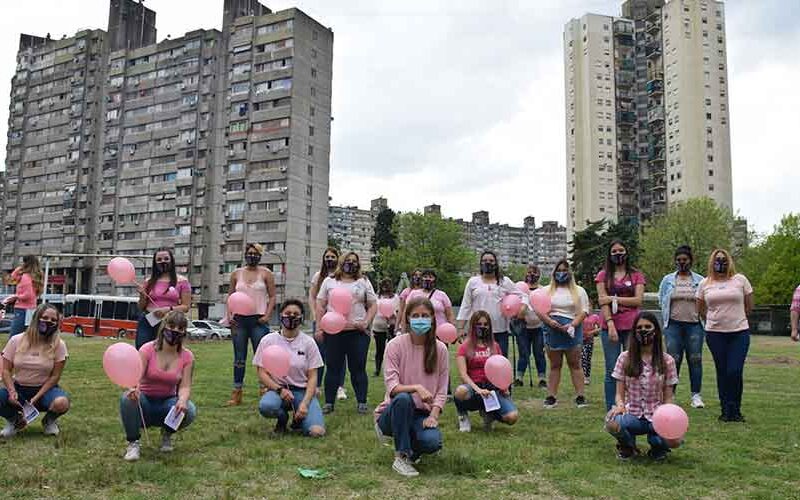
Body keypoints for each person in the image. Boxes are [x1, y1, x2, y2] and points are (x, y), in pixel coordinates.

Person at [374, 296, 448, 477]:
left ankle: (411, 446)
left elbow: (442, 389)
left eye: (425, 315)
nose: (420, 319)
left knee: (432, 443)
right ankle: (401, 456)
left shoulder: (440, 349)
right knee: (403, 399)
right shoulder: (395, 345)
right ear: (407, 318)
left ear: (432, 318)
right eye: (416, 315)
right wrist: (416, 387)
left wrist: (433, 415)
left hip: (421, 412)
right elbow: (392, 387)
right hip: (395, 409)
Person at [120, 311, 197, 461]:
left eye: (180, 328)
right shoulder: (147, 349)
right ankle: (133, 443)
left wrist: (182, 400)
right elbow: (137, 376)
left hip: (168, 402)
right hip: (145, 401)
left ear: (184, 332)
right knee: (126, 399)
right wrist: (134, 388)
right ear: (163, 327)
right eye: (171, 326)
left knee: (190, 410)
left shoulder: (188, 357)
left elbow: (185, 386)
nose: (175, 331)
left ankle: (167, 433)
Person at [605, 312, 681, 461]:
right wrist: (620, 405)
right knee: (611, 422)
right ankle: (628, 446)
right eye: (639, 327)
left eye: (648, 327)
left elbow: (669, 396)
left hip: (657, 415)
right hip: (632, 413)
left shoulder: (668, 361)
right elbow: (619, 393)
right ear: (634, 332)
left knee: (674, 441)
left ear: (656, 331)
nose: (643, 330)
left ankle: (658, 447)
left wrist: (670, 418)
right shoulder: (624, 358)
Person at [696, 248, 753, 423]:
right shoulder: (705, 283)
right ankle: (725, 410)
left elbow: (749, 305)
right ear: (712, 263)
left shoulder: (740, 280)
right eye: (717, 260)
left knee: (734, 370)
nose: (721, 262)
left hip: (739, 332)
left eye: (724, 259)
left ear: (729, 262)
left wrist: (736, 318)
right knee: (722, 371)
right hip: (715, 333)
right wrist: (715, 319)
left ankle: (735, 408)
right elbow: (700, 309)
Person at [316, 252, 377, 414]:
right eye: (348, 261)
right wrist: (319, 327)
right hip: (333, 332)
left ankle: (362, 402)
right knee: (333, 368)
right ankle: (329, 403)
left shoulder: (363, 281)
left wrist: (366, 322)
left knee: (358, 368)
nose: (351, 264)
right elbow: (320, 304)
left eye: (354, 261)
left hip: (357, 333)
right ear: (341, 262)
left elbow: (372, 304)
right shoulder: (329, 281)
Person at [255, 299, 325, 437]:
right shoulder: (268, 340)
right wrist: (279, 390)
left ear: (301, 318)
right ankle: (282, 419)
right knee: (267, 407)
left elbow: (313, 377)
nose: (291, 316)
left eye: (296, 314)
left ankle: (299, 419)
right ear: (281, 315)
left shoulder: (308, 342)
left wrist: (305, 403)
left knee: (317, 432)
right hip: (277, 390)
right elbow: (261, 372)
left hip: (302, 391)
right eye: (288, 313)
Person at [0, 304, 70, 438]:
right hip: (18, 388)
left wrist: (37, 397)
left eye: (53, 320)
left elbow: (55, 376)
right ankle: (15, 421)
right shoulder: (16, 340)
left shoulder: (59, 344)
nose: (48, 322)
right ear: (36, 318)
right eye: (44, 318)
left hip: (45, 390)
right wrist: (11, 391)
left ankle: (49, 421)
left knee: (62, 403)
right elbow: (6, 371)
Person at [224, 243, 277, 406]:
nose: (252, 256)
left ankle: (265, 390)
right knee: (239, 358)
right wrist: (229, 316)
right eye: (249, 253)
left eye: (255, 254)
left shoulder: (266, 273)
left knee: (262, 357)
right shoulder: (236, 273)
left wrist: (267, 315)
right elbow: (230, 296)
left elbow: (273, 296)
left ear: (260, 256)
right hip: (239, 320)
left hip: (258, 320)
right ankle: (237, 393)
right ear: (245, 255)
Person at [596, 239, 646, 411]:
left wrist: (613, 298)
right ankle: (612, 407)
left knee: (632, 366)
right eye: (614, 251)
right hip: (610, 326)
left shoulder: (636, 275)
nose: (618, 254)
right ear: (610, 255)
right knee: (612, 368)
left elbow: (638, 300)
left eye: (621, 250)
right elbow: (603, 302)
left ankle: (633, 405)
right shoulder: (603, 275)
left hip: (633, 326)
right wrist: (610, 324)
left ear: (627, 252)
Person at [536, 260, 590, 409]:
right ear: (554, 273)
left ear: (570, 273)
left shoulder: (579, 291)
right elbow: (539, 310)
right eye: (559, 270)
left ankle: (580, 396)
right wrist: (550, 322)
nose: (562, 273)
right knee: (555, 365)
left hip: (572, 330)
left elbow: (584, 311)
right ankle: (551, 396)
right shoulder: (546, 290)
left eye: (565, 270)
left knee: (575, 364)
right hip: (552, 330)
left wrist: (572, 325)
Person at [454, 311, 519, 433]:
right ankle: (462, 416)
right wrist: (478, 390)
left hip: (492, 389)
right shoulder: (464, 347)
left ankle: (490, 413)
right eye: (478, 324)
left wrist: (504, 387)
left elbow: (502, 368)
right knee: (460, 392)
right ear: (472, 326)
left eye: (485, 324)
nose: (482, 327)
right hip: (473, 388)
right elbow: (463, 375)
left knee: (512, 417)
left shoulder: (495, 346)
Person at [658, 245, 706, 409]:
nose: (681, 262)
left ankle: (696, 395)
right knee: (673, 360)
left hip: (694, 325)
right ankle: (670, 395)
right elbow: (661, 299)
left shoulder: (700, 280)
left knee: (695, 359)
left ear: (691, 261)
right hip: (673, 324)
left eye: (684, 260)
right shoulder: (668, 280)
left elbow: (705, 300)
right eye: (678, 260)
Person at [457, 251, 526, 357]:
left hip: (500, 331)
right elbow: (466, 305)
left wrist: (522, 309)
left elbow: (523, 296)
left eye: (491, 261)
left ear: (496, 264)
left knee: (500, 363)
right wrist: (461, 328)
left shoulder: (505, 282)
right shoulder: (473, 282)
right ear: (480, 264)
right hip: (478, 330)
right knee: (477, 364)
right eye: (484, 261)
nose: (488, 263)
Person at [309, 247, 346, 399]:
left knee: (339, 356)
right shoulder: (319, 276)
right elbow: (312, 297)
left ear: (338, 258)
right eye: (327, 257)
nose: (329, 259)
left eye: (332, 256)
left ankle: (340, 386)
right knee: (319, 354)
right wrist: (314, 315)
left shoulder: (343, 276)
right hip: (320, 320)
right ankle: (317, 386)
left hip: (338, 321)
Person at [135, 248, 191, 350]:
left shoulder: (182, 281)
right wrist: (142, 295)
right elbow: (141, 307)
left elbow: (186, 306)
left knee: (165, 350)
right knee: (143, 348)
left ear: (171, 260)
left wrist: (167, 309)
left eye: (166, 258)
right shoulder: (149, 281)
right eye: (159, 259)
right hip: (149, 319)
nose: (163, 261)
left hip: (171, 322)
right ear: (155, 263)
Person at [513, 264, 547, 388]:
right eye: (529, 272)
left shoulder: (543, 289)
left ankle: (542, 378)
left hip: (539, 326)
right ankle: (519, 378)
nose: (531, 275)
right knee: (523, 352)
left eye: (534, 272)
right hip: (523, 327)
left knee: (539, 353)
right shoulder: (519, 289)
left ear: (538, 275)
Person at [3, 256, 43, 337]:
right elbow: (14, 278)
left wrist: (16, 297)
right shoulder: (33, 277)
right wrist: (18, 270)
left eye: (23, 262)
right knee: (27, 335)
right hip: (31, 309)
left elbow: (28, 295)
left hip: (22, 309)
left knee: (14, 336)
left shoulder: (25, 277)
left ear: (26, 264)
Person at [372, 278, 398, 376]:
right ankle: (377, 370)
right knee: (380, 349)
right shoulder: (376, 297)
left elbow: (397, 310)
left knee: (392, 350)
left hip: (391, 325)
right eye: (383, 284)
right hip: (378, 325)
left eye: (387, 285)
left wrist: (392, 316)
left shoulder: (395, 297)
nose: (385, 287)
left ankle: (393, 370)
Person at [397, 269, 423, 333]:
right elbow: (401, 309)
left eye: (420, 275)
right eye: (416, 275)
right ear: (412, 277)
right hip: (408, 321)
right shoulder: (406, 292)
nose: (418, 277)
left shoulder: (425, 291)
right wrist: (397, 325)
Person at [581, 310, 602, 386]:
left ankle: (587, 377)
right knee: (583, 357)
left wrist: (592, 332)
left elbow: (601, 327)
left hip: (589, 340)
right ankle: (582, 377)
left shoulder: (595, 317)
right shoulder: (580, 315)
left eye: (590, 306)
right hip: (580, 340)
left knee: (588, 359)